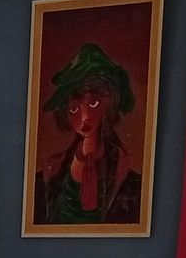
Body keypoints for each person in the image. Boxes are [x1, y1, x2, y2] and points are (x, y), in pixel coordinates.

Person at [32, 43, 143, 227]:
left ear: (109, 104)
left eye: (93, 104)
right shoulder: (51, 173)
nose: (84, 118)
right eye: (74, 109)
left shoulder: (128, 178)